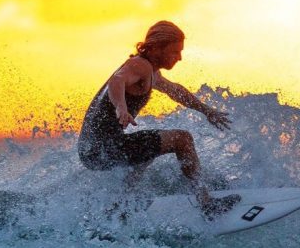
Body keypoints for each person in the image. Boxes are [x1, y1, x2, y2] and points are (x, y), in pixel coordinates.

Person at [77, 21, 240, 218]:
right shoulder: (139, 65)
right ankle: (206, 203)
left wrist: (206, 110)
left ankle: (118, 209)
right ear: (155, 48)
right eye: (174, 52)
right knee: (182, 139)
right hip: (102, 148)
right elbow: (117, 80)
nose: (179, 58)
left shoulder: (151, 71)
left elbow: (176, 91)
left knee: (150, 149)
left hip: (93, 150)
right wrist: (121, 107)